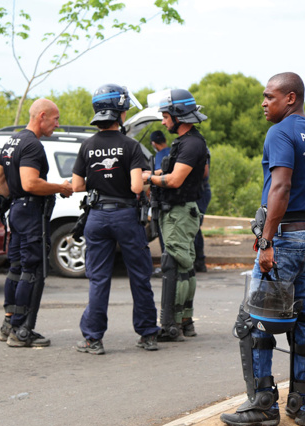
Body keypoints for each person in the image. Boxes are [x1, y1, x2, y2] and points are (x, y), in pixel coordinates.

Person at [220, 72, 305, 426]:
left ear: (290, 98)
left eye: (269, 96)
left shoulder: (281, 132)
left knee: (255, 321)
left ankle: (262, 405)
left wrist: (267, 241)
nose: (263, 103)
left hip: (287, 237)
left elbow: (281, 186)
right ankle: (304, 405)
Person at [72, 84, 161, 355]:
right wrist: (146, 178)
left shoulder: (87, 146)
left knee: (99, 278)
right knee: (139, 275)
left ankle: (92, 339)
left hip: (96, 217)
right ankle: (147, 334)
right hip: (125, 217)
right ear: (119, 113)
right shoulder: (131, 146)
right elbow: (136, 188)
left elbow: (77, 185)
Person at [0, 98, 74, 348]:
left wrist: (14, 199)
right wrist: (60, 187)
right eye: (55, 119)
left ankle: (8, 324)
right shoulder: (32, 145)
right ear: (42, 116)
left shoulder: (12, 141)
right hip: (30, 214)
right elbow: (30, 183)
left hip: (17, 211)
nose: (57, 125)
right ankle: (22, 329)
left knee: (16, 268)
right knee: (32, 270)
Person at [142, 89, 208, 341]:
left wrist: (149, 177)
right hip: (180, 212)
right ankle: (184, 321)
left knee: (176, 266)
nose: (163, 121)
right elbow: (175, 170)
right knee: (184, 266)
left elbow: (175, 180)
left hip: (179, 213)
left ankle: (172, 325)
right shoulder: (188, 142)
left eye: (166, 115)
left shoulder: (191, 143)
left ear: (178, 115)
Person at [193, 149, 212, 273]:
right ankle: (198, 261)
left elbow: (204, 172)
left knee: (194, 227)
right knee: (195, 228)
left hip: (200, 191)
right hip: (198, 191)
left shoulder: (200, 147)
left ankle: (199, 261)